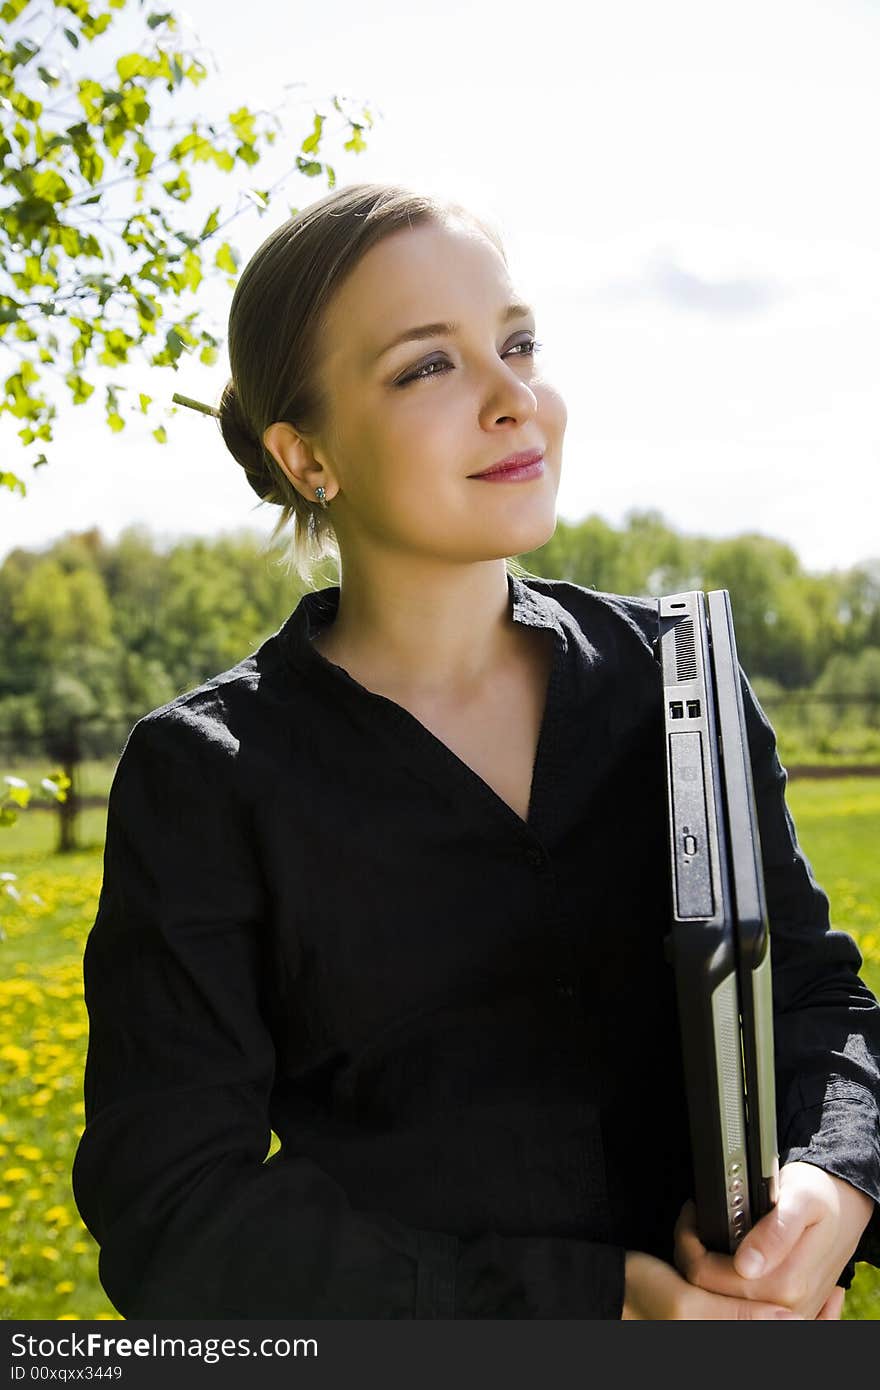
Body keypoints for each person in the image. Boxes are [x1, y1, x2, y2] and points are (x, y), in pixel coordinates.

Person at [72, 182, 880, 1320]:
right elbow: (173, 1210)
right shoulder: (205, 774)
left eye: (518, 344)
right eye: (426, 366)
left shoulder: (677, 680)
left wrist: (833, 1177)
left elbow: (813, 995)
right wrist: (600, 1304)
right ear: (306, 457)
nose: (516, 400)